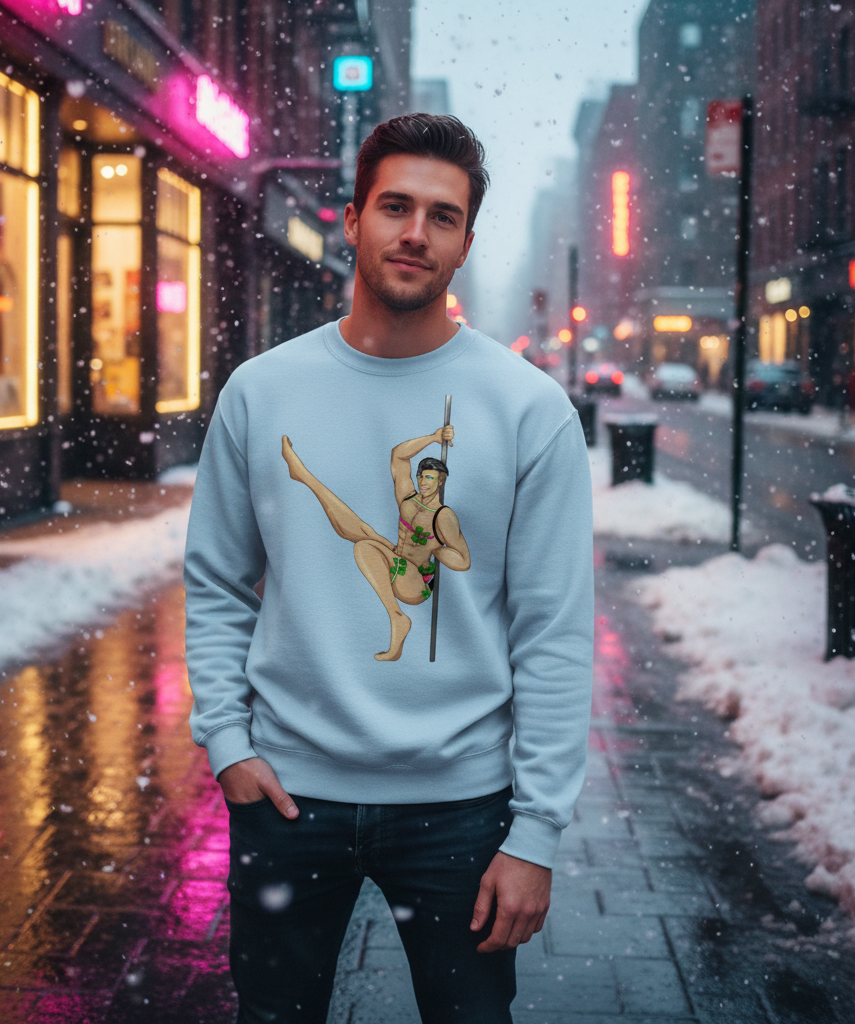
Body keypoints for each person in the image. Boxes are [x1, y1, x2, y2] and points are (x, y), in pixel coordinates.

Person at [185, 113, 593, 1023]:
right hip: (287, 798)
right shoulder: (263, 390)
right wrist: (228, 744)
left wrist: (536, 832)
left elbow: (555, 632)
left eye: (442, 216)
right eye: (396, 206)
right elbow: (215, 582)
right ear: (353, 219)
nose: (415, 232)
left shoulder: (528, 409)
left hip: (462, 810)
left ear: (465, 244)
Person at [280, 427, 469, 661]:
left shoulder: (443, 516)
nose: (423, 482)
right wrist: (433, 438)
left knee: (365, 546)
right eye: (421, 476)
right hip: (397, 560)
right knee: (363, 530)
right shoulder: (408, 500)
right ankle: (304, 476)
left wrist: (438, 550)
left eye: (429, 477)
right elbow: (399, 456)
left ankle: (397, 617)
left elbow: (463, 560)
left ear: (441, 481)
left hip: (416, 583)